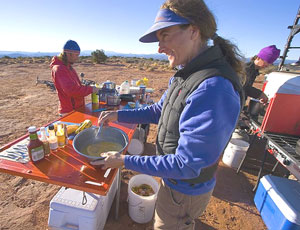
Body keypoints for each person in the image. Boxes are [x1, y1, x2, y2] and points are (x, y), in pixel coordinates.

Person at [91, 0, 244, 229]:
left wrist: (123, 160)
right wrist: (118, 115)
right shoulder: (187, 73)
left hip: (184, 191)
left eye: (165, 35)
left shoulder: (213, 88)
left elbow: (186, 164)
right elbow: (160, 110)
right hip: (174, 181)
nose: (159, 48)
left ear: (193, 31)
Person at [50, 40, 98, 116]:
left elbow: (77, 87)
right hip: (69, 111)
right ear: (68, 54)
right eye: (76, 55)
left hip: (77, 109)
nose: (77, 58)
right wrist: (91, 89)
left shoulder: (68, 67)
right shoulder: (59, 69)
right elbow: (71, 90)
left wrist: (89, 87)